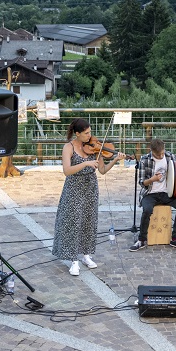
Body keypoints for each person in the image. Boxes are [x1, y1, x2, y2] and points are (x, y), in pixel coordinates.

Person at [51, 118, 124, 276]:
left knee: (88, 222)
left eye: (90, 132)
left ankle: (86, 255)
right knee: (73, 223)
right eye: (86, 133)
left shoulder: (94, 148)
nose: (89, 136)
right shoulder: (68, 147)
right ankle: (73, 260)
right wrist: (85, 164)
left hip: (90, 189)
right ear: (77, 134)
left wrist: (115, 159)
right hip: (73, 189)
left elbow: (102, 170)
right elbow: (67, 171)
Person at [130, 138, 176, 251]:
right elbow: (142, 182)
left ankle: (175, 238)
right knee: (147, 210)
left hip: (166, 193)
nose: (161, 156)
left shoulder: (170, 156)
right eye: (158, 154)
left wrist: (175, 173)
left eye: (162, 153)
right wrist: (152, 179)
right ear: (152, 151)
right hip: (149, 193)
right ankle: (141, 239)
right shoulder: (144, 160)